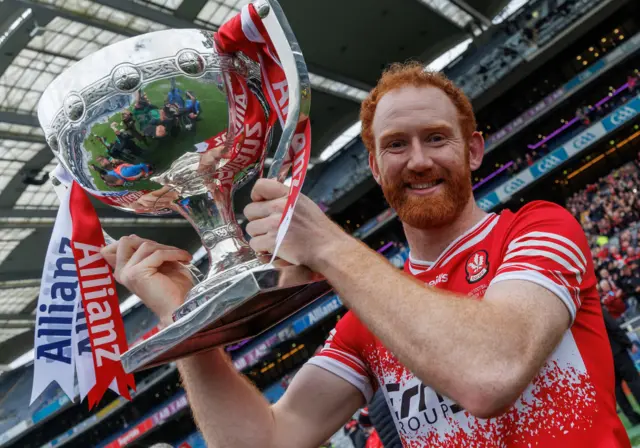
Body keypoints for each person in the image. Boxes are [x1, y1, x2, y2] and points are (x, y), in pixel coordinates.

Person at [103, 62, 629, 447]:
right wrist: (187, 324)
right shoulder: (368, 324)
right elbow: (263, 441)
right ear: (375, 168)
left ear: (473, 150)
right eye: (396, 145)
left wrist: (327, 243)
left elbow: (491, 373)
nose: (418, 160)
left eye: (437, 138)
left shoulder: (538, 228)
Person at [602, 307, 640, 425]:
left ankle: (632, 418)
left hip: (602, 358)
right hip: (617, 352)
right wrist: (628, 344)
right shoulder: (598, 309)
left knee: (617, 389)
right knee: (633, 380)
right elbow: (614, 328)